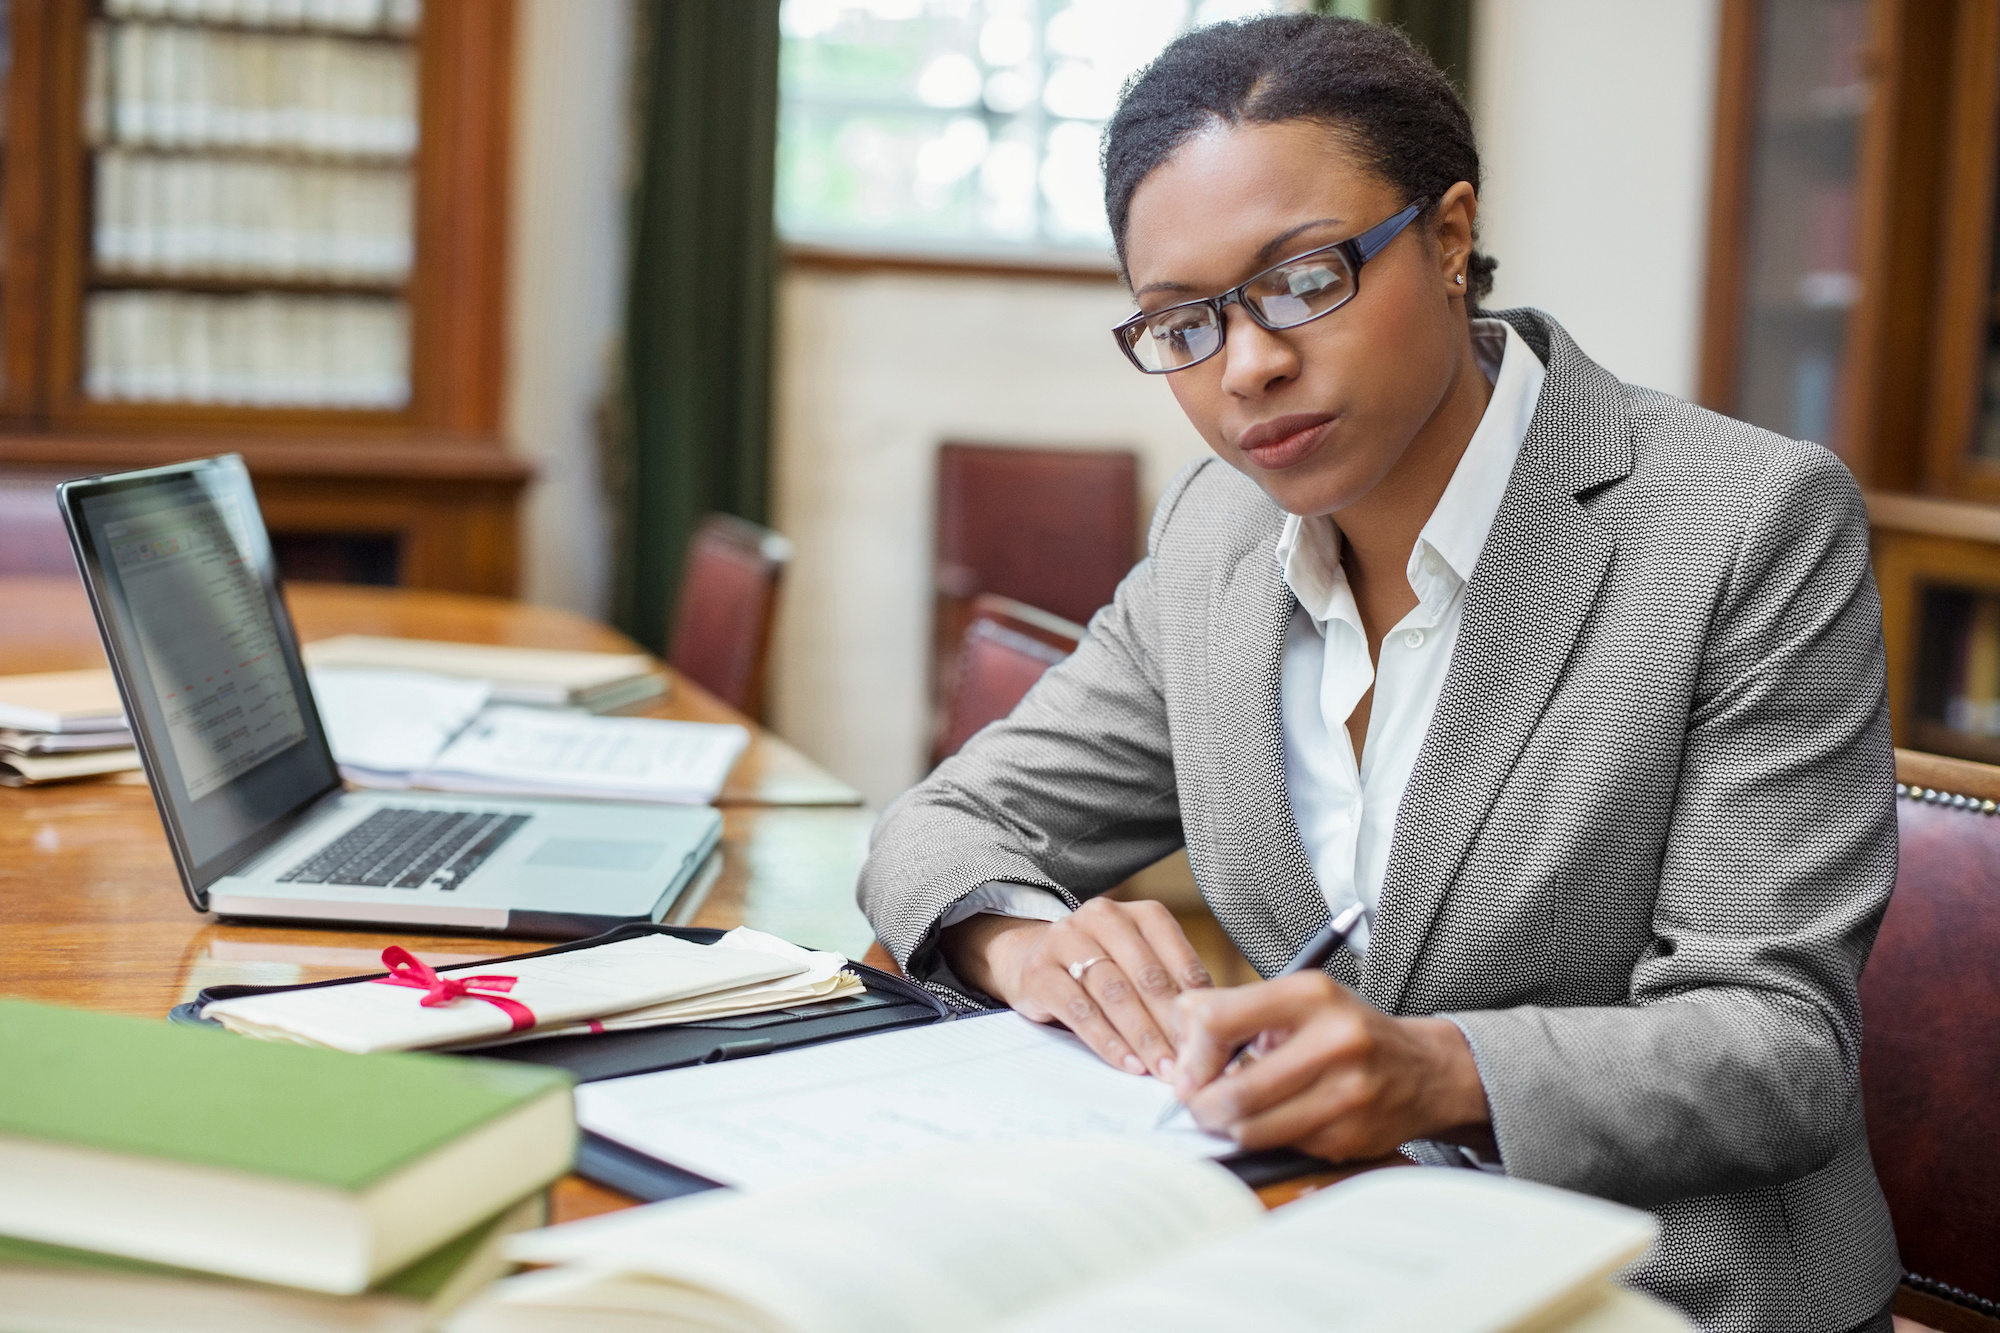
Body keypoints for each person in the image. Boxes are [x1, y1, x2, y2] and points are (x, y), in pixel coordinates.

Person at [857, 14, 1898, 1332]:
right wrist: (1025, 939)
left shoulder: (1745, 522)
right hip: (1323, 1248)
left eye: (1302, 278)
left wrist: (1438, 1069)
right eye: (1182, 324)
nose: (1249, 365)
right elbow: (939, 824)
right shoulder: (1214, 539)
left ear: (1451, 234)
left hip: (1665, 1287)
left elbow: (1778, 1045)